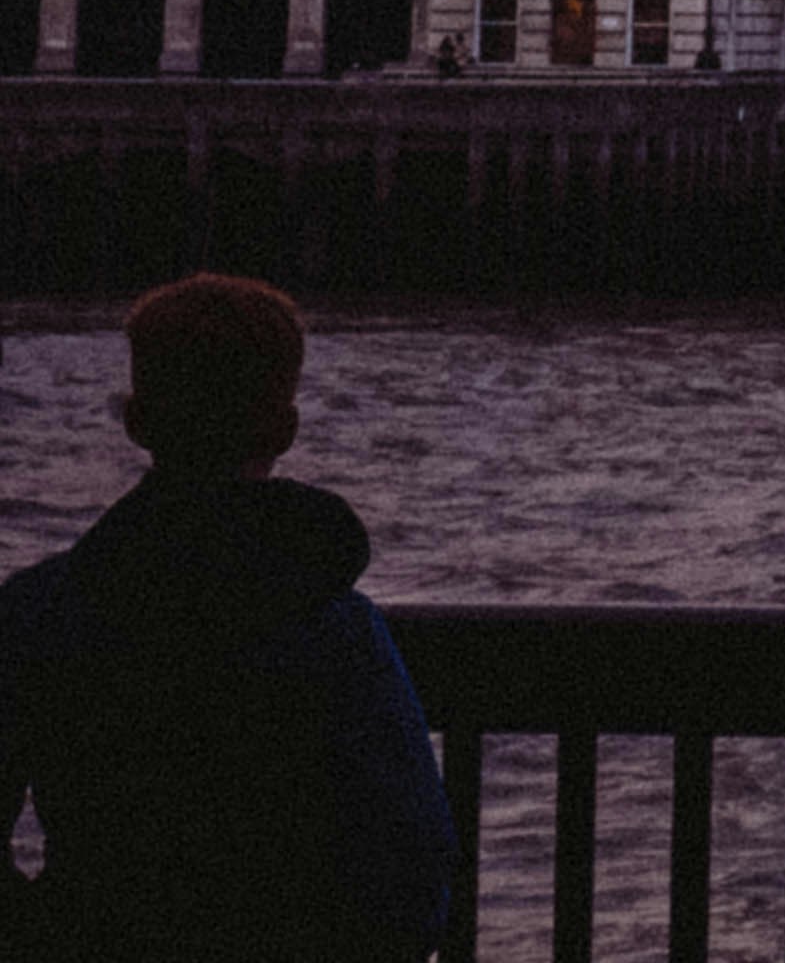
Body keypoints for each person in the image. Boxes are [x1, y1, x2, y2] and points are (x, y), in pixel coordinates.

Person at [0, 273, 457, 959]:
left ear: (136, 422)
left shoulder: (40, 611)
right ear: (285, 429)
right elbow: (413, 866)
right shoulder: (335, 626)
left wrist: (46, 934)